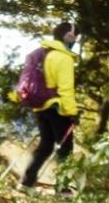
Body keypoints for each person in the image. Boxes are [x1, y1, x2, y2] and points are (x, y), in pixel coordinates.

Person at [20, 21, 79, 189]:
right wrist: (71, 113)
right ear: (69, 37)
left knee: (46, 145)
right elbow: (65, 88)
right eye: (75, 36)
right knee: (65, 149)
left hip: (40, 106)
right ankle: (63, 189)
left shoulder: (42, 53)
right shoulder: (64, 57)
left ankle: (26, 182)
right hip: (58, 107)